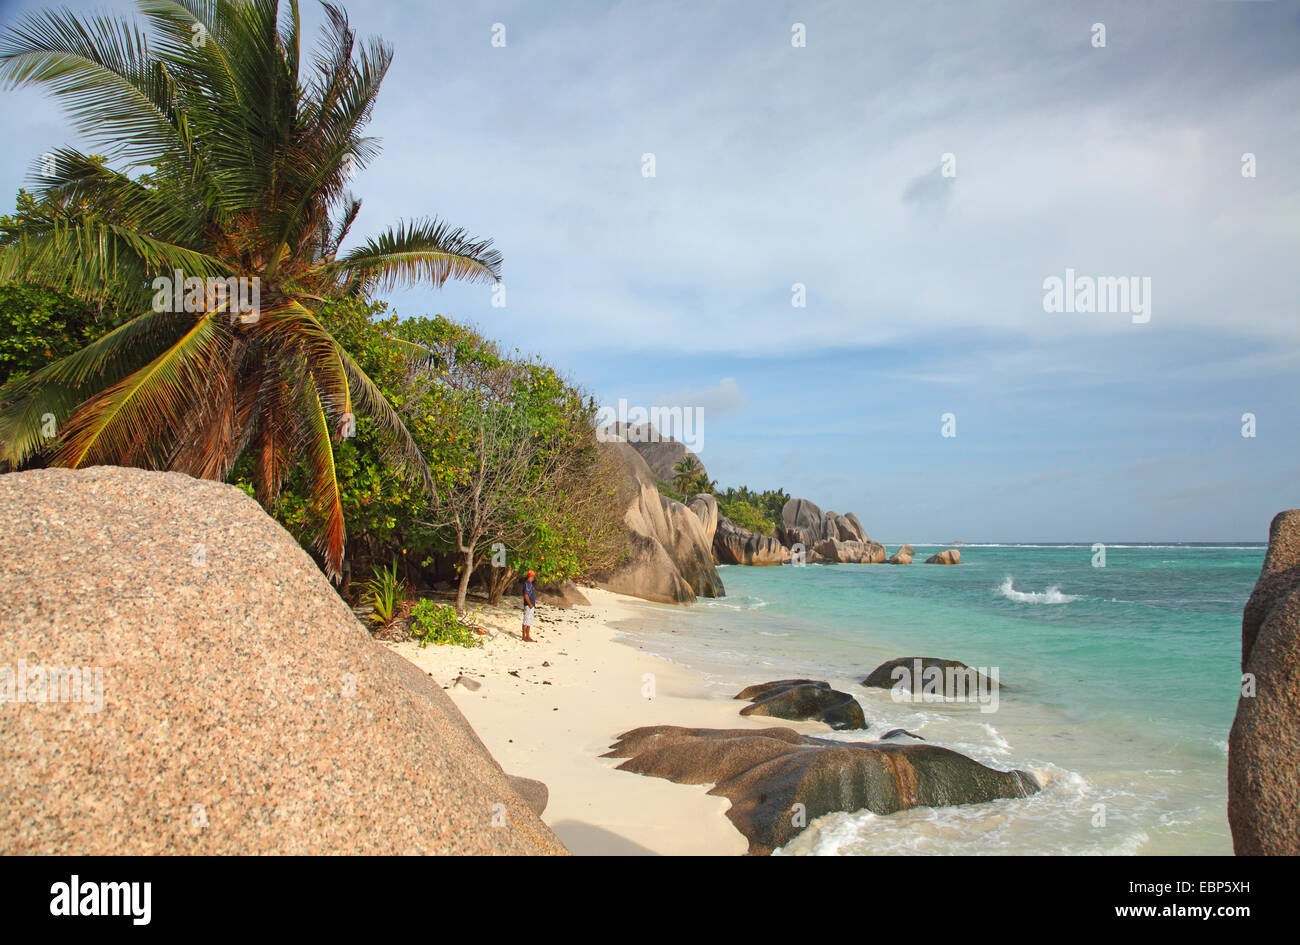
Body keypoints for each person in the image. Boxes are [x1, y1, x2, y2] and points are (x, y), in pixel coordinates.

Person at [521, 570, 537, 642]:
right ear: (530, 576)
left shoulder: (529, 584)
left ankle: (528, 636)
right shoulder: (527, 584)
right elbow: (526, 595)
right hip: (529, 605)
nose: (533, 578)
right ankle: (524, 636)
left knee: (529, 621)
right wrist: (530, 604)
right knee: (526, 620)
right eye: (533, 576)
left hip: (531, 605)